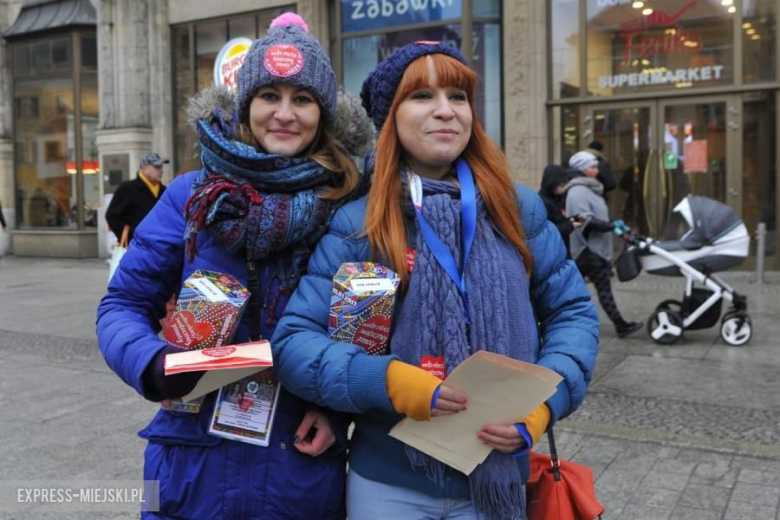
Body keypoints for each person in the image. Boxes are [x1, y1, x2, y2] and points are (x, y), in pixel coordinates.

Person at [272, 42, 600, 520]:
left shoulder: (518, 209)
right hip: (387, 483)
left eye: (459, 96)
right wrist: (385, 381)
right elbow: (296, 342)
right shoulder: (358, 223)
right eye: (422, 96)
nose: (446, 111)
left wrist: (544, 404)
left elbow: (572, 313)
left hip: (496, 481)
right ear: (391, 119)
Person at [96, 13, 372, 519]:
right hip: (190, 463)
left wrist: (336, 410)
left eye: (303, 99)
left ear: (323, 114)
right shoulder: (191, 197)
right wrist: (153, 364)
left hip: (298, 469)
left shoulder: (349, 208)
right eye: (269, 96)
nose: (284, 114)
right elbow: (122, 304)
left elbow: (365, 331)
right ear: (246, 105)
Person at [566, 150, 642, 338]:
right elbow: (583, 220)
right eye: (592, 167)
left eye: (596, 166)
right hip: (587, 249)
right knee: (601, 288)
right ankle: (620, 325)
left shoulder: (590, 189)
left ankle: (617, 325)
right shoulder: (577, 191)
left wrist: (613, 223)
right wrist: (610, 226)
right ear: (582, 169)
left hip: (593, 249)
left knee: (575, 290)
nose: (596, 170)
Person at [105, 152, 168, 242]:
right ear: (144, 168)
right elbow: (112, 216)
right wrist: (132, 238)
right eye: (156, 166)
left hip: (161, 245)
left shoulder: (164, 191)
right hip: (138, 247)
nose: (160, 170)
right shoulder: (128, 189)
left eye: (161, 167)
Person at [538, 164, 578, 255]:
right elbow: (546, 232)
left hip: (561, 248)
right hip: (552, 253)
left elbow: (559, 220)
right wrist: (569, 226)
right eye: (561, 185)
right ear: (551, 184)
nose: (564, 189)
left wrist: (572, 220)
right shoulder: (543, 202)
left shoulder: (556, 198)